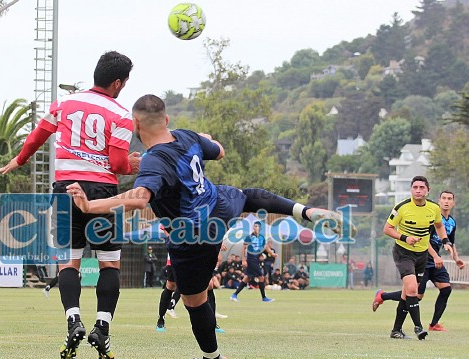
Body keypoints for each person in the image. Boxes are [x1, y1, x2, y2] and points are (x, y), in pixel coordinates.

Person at [65, 94, 354, 359]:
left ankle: (213, 357)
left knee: (194, 301)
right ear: (166, 120)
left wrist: (90, 206)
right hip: (219, 206)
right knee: (249, 195)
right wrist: (201, 138)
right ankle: (306, 210)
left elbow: (140, 199)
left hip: (191, 234)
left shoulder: (153, 161)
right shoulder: (186, 137)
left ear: (135, 125)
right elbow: (219, 151)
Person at [0, 51, 139, 359]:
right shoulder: (121, 113)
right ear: (118, 82)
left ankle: (73, 319)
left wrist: (19, 160)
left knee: (68, 262)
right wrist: (132, 166)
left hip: (64, 189)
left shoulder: (64, 103)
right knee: (109, 263)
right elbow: (116, 162)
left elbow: (38, 135)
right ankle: (101, 328)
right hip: (102, 192)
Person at [372, 190, 464, 332]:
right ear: (439, 201)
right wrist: (435, 256)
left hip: (435, 261)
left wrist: (456, 259)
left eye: (449, 199)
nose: (446, 201)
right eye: (443, 198)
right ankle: (383, 297)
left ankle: (433, 324)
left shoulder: (451, 222)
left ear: (453, 202)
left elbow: (450, 242)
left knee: (446, 289)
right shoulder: (430, 217)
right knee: (415, 295)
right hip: (424, 257)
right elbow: (424, 240)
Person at [230, 222, 277, 302]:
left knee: (247, 277)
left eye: (258, 226)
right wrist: (244, 260)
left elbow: (265, 247)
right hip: (251, 259)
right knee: (261, 276)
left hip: (256, 259)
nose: (256, 227)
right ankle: (264, 297)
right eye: (255, 226)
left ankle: (234, 295)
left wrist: (272, 253)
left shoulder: (261, 237)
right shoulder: (249, 237)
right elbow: (244, 248)